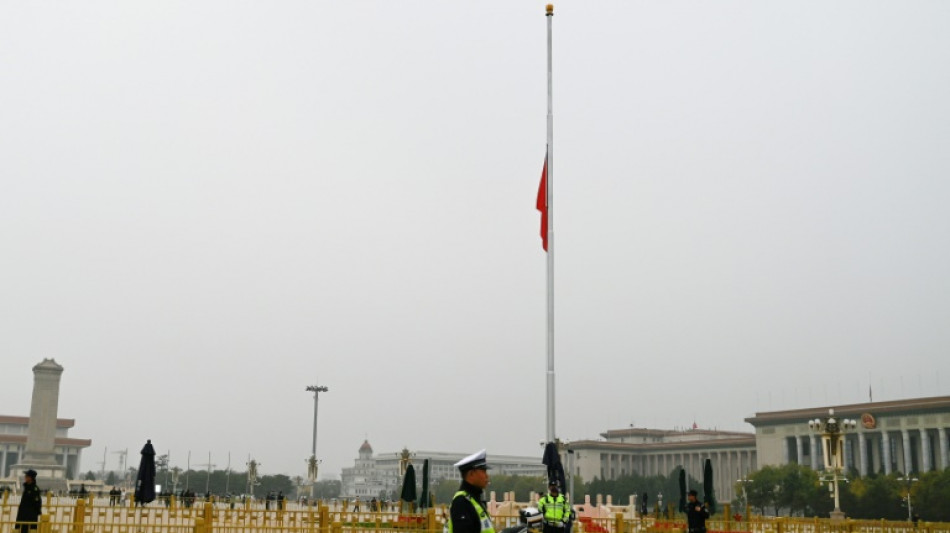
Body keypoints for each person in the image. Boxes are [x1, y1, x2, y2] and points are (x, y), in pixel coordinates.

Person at [447, 449, 493, 533]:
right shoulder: (462, 502)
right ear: (471, 474)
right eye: (483, 471)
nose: (487, 476)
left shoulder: (474, 499)